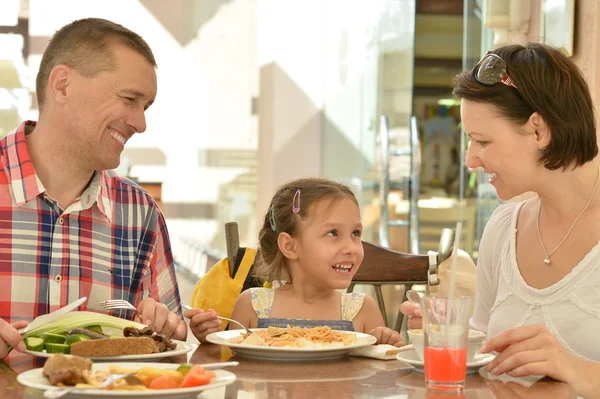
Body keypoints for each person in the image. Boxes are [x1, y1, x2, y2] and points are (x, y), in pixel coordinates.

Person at [401, 42, 600, 397]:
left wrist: (578, 369)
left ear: (539, 131)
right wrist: (454, 335)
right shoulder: (503, 229)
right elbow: (484, 367)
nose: (470, 160)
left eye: (482, 141)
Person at [0, 18, 187, 364]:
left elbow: (170, 358)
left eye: (145, 107)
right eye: (130, 98)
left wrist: (167, 332)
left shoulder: (141, 214)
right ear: (62, 85)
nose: (141, 124)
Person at [186, 177, 404, 346]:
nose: (351, 247)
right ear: (290, 246)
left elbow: (379, 378)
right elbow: (234, 367)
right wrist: (210, 340)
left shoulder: (362, 310)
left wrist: (386, 343)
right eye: (332, 233)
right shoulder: (252, 305)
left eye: (355, 233)